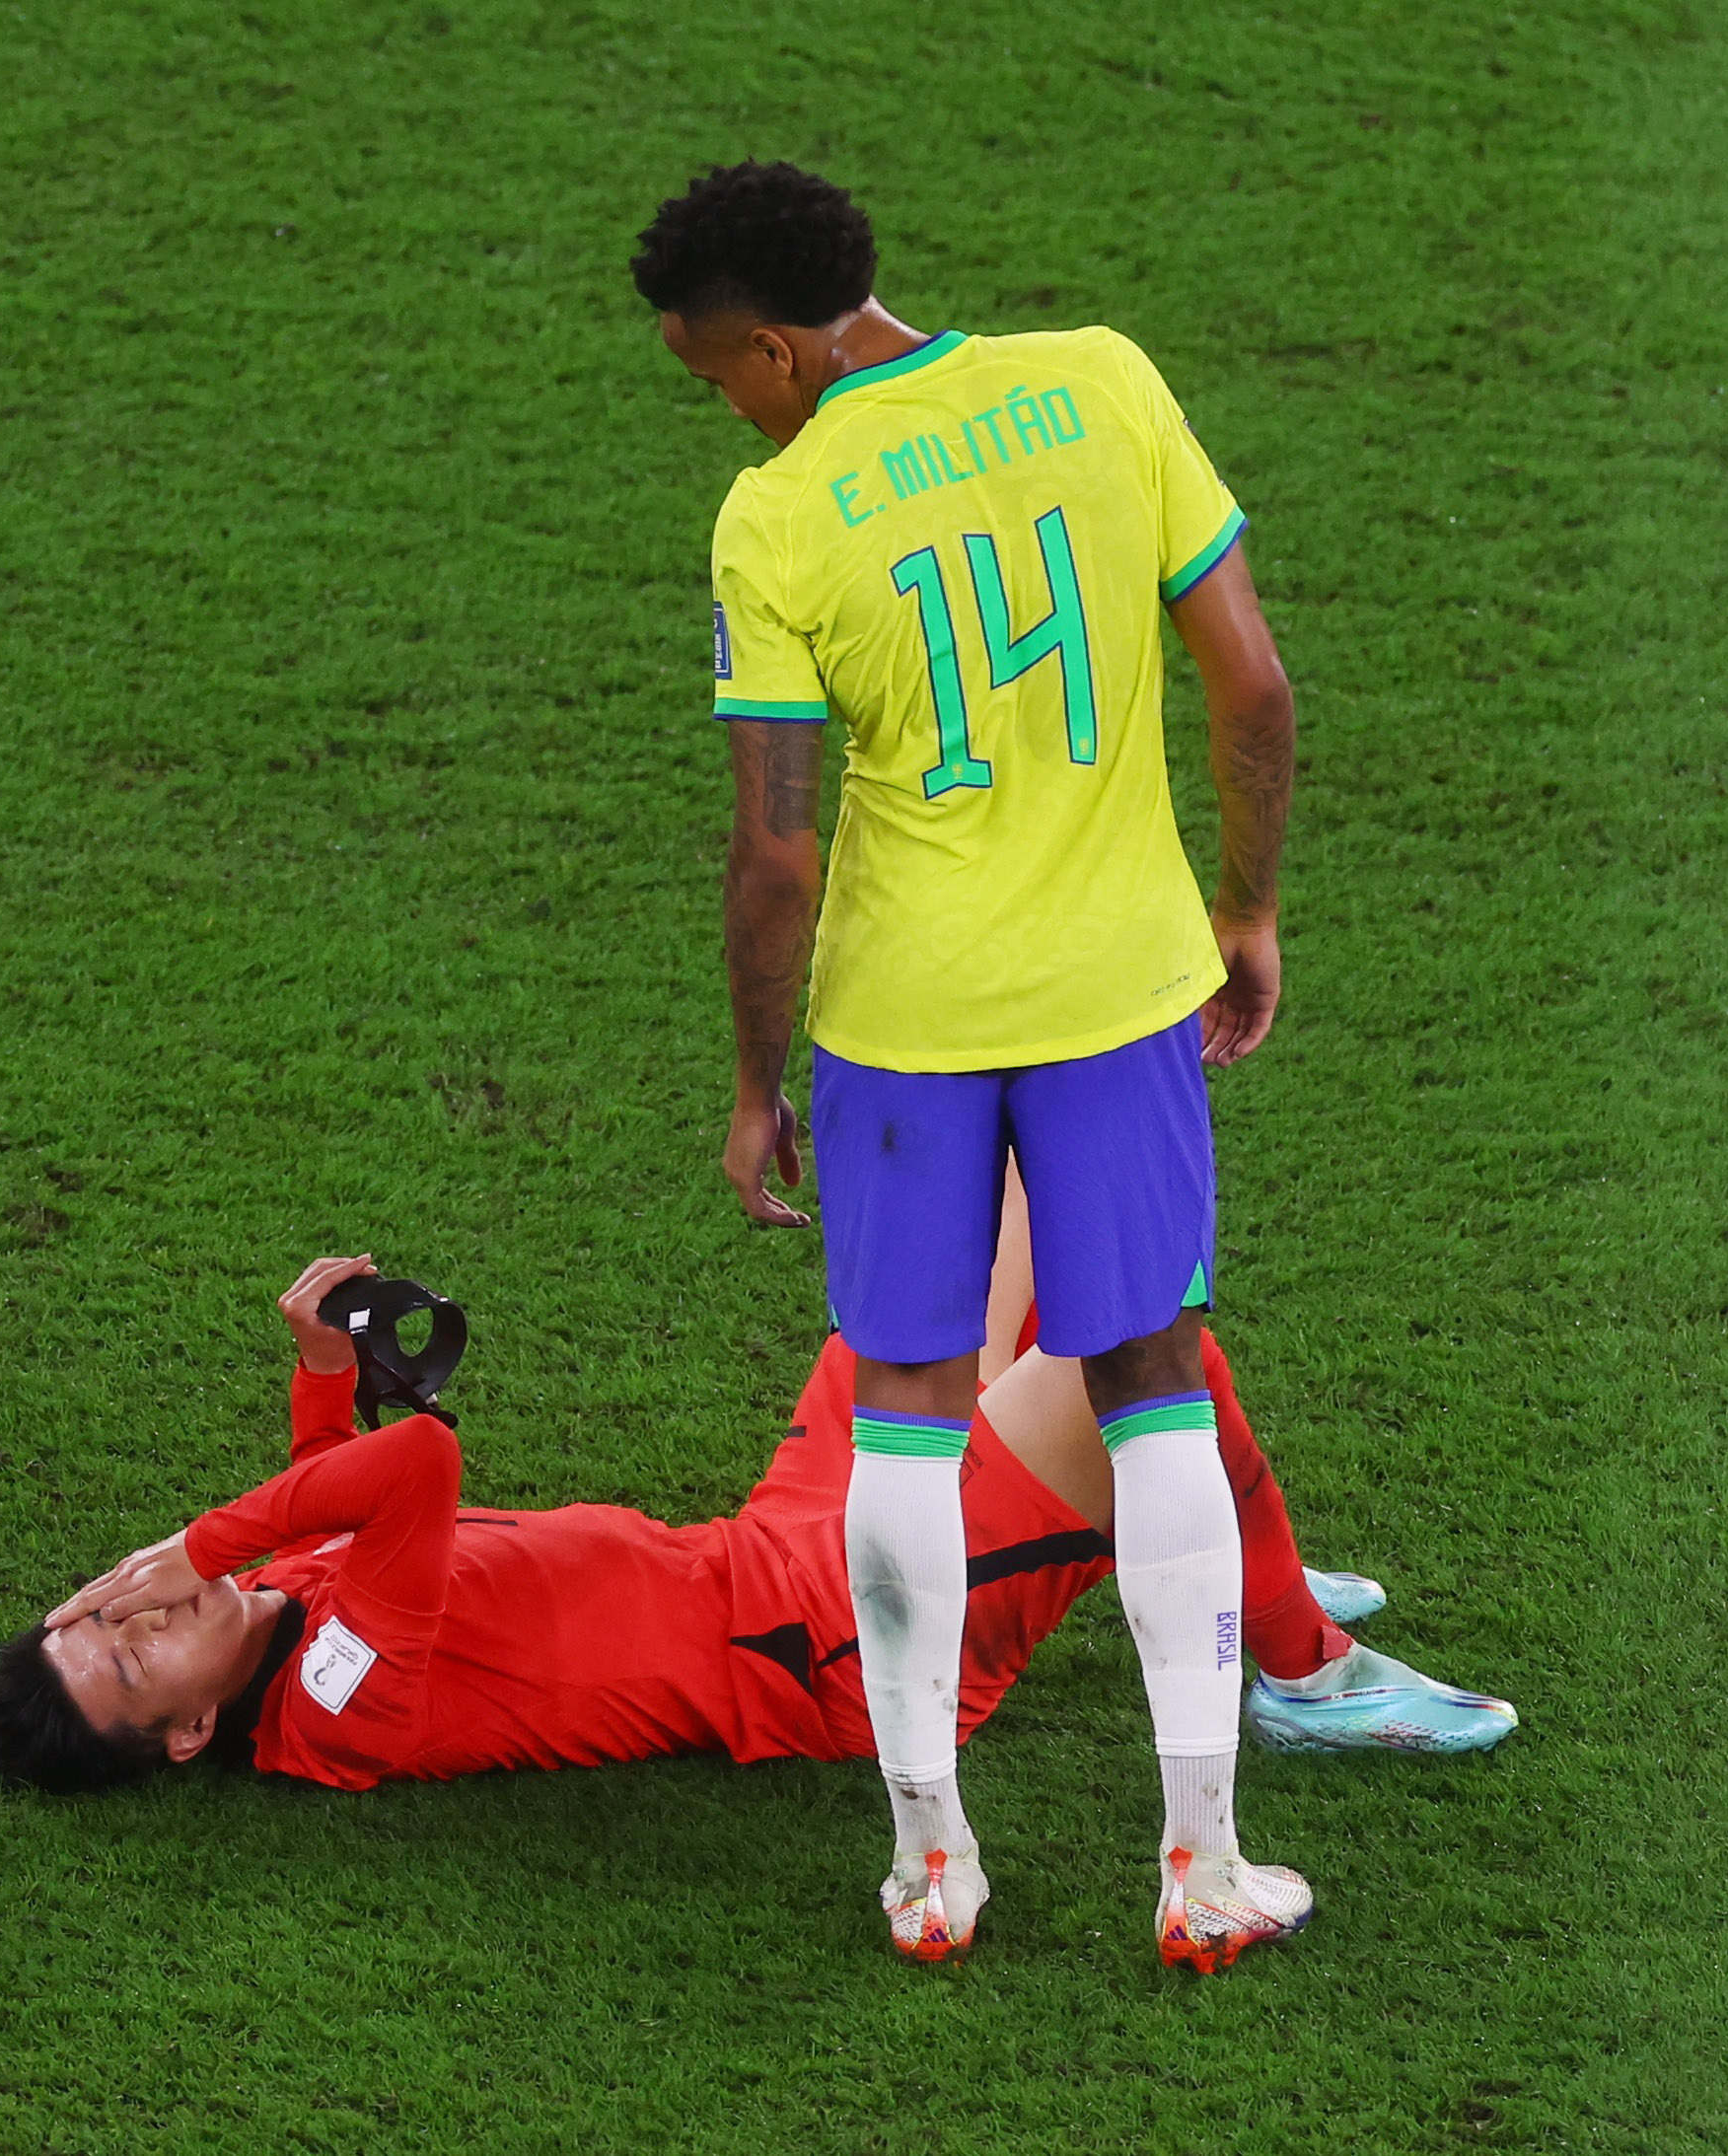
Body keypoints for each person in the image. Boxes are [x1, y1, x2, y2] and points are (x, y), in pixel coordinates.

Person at [631, 161, 1308, 1963]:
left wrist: (761, 1083)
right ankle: (1201, 1865)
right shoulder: (1099, 378)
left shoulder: (777, 522)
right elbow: (1249, 686)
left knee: (905, 1417)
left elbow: (778, 854)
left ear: (773, 347)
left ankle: (934, 1867)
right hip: (1115, 994)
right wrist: (1245, 910)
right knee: (1152, 1382)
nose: (728, 407)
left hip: (900, 1031)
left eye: (717, 377)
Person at [0, 1243, 1517, 1971]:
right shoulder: (329, 1707)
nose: (140, 1610)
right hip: (838, 1635)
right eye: (129, 1654)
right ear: (185, 1735)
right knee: (1147, 1357)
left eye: (98, 1613)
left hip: (775, 1536)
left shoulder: (291, 1617)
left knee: (1010, 1206)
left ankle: (1211, 1572)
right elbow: (415, 1471)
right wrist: (197, 1529)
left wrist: (321, 1362)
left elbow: (338, 1480)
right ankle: (1292, 1662)